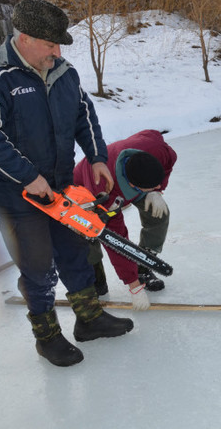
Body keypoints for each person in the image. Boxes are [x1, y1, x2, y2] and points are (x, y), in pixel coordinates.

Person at [0, 0, 133, 367]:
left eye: (59, 45)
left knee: (74, 253)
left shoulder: (63, 72)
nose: (57, 52)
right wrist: (28, 176)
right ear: (24, 38)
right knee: (37, 268)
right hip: (17, 196)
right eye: (50, 44)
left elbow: (84, 116)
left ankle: (89, 319)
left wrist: (98, 156)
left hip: (61, 188)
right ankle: (48, 338)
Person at [74, 129, 177, 310]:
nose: (159, 186)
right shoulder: (104, 191)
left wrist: (157, 191)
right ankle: (95, 277)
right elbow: (116, 240)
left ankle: (143, 265)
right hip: (86, 191)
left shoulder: (156, 151)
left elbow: (160, 145)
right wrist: (133, 286)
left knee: (159, 213)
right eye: (153, 186)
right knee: (89, 232)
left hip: (133, 177)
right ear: (133, 186)